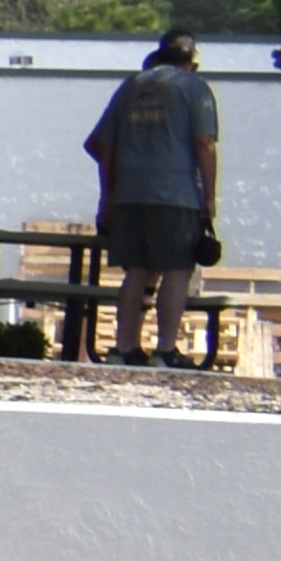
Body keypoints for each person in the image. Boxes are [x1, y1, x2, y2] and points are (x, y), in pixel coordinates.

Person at [85, 29, 220, 364]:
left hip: (128, 194)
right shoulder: (195, 88)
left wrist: (108, 197)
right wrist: (209, 197)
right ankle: (165, 350)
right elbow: (204, 143)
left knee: (137, 271)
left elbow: (101, 145)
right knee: (177, 269)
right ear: (190, 61)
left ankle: (124, 348)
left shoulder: (131, 87)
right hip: (176, 194)